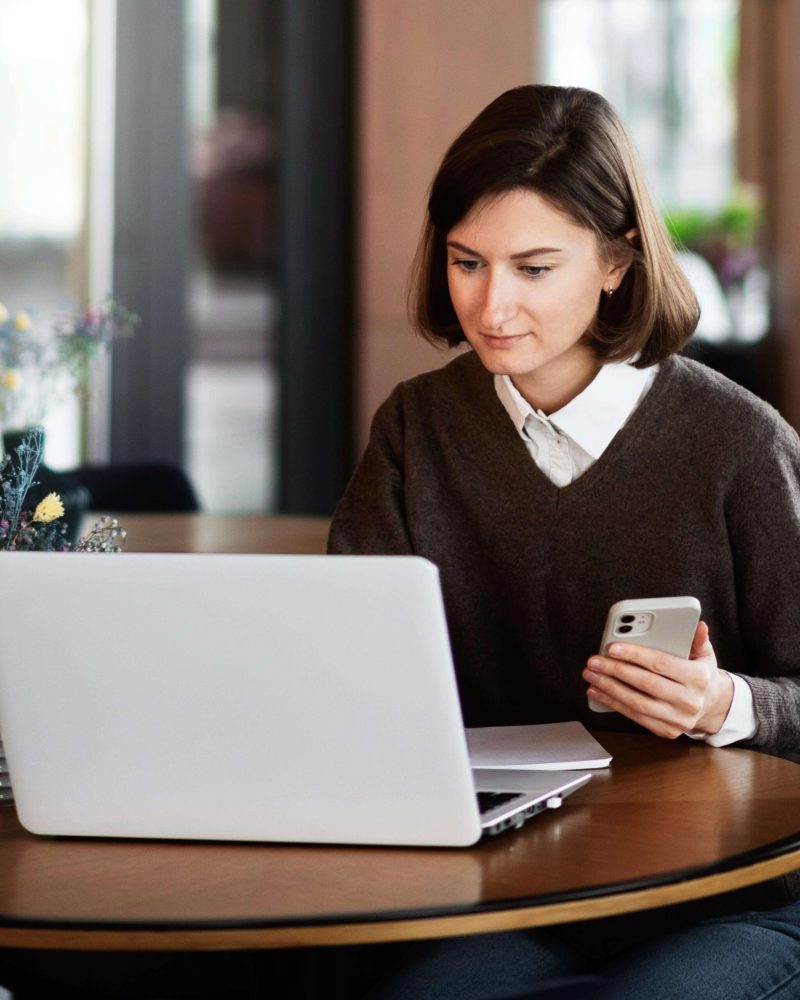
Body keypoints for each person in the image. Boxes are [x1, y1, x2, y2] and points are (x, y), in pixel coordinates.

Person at [327, 85, 800, 999]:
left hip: (737, 893)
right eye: (467, 262)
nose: (491, 305)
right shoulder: (417, 429)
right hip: (522, 893)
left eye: (534, 269)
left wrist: (725, 706)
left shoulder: (740, 445)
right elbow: (349, 672)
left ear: (617, 262)